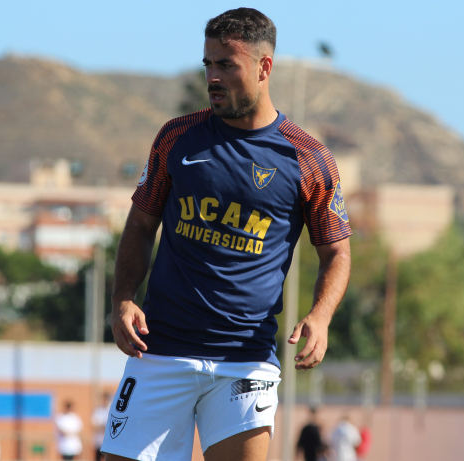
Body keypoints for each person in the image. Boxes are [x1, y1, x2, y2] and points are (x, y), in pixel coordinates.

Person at [103, 7, 352, 461]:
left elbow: (336, 252)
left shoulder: (309, 158)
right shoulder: (176, 138)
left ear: (264, 67)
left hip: (246, 360)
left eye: (226, 65)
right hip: (160, 352)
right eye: (208, 64)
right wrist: (122, 298)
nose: (213, 77)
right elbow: (139, 225)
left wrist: (321, 316)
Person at [92, 393, 111, 461]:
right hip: (99, 440)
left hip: (109, 441)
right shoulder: (98, 410)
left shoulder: (111, 410)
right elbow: (94, 424)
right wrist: (102, 428)